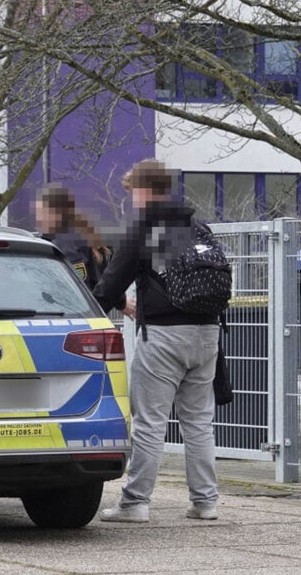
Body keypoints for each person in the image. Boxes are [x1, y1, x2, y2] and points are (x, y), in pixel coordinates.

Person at [91, 159, 220, 523]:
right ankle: (206, 502)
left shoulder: (144, 229)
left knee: (149, 421)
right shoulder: (199, 227)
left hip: (164, 335)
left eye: (133, 193)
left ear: (146, 191)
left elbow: (110, 284)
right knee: (198, 422)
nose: (132, 201)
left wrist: (87, 314)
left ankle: (134, 504)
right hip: (207, 333)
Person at [35, 185, 112, 290]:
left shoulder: (68, 242)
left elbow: (77, 286)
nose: (38, 219)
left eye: (42, 213)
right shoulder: (83, 234)